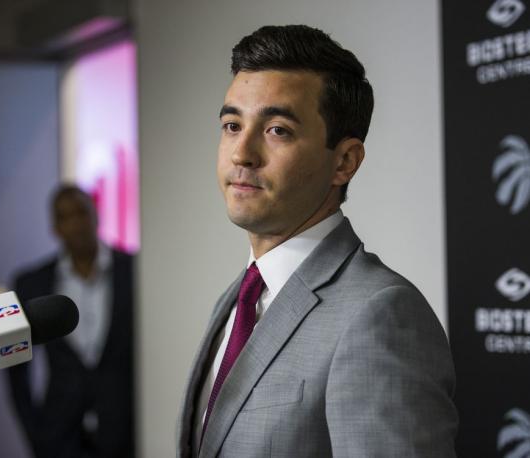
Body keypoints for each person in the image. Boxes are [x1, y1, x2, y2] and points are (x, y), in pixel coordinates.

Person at [176, 25, 458, 457]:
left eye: (277, 130)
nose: (241, 153)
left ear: (344, 161)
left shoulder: (379, 314)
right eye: (232, 125)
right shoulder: (234, 299)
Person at [7, 184, 135, 458]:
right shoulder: (32, 283)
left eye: (81, 212)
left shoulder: (133, 270)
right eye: (65, 217)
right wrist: (34, 433)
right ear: (55, 227)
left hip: (125, 431)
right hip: (58, 433)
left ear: (96, 215)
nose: (76, 223)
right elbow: (16, 370)